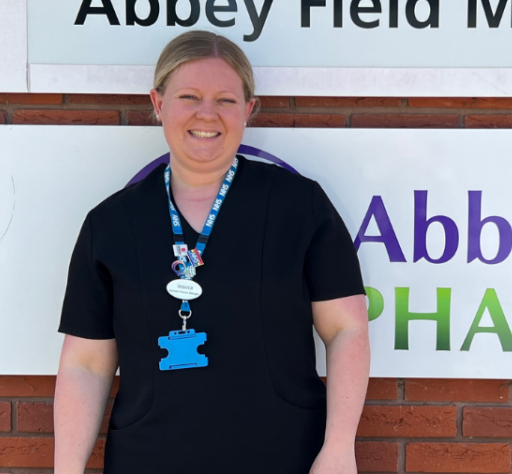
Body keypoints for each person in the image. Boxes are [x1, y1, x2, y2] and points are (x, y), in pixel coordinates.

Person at [53, 30, 369, 473]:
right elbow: (85, 365)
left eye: (226, 100)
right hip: (148, 460)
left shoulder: (299, 207)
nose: (207, 113)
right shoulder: (110, 225)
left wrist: (338, 448)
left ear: (249, 109)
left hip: (285, 457)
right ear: (158, 103)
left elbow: (347, 330)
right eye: (189, 96)